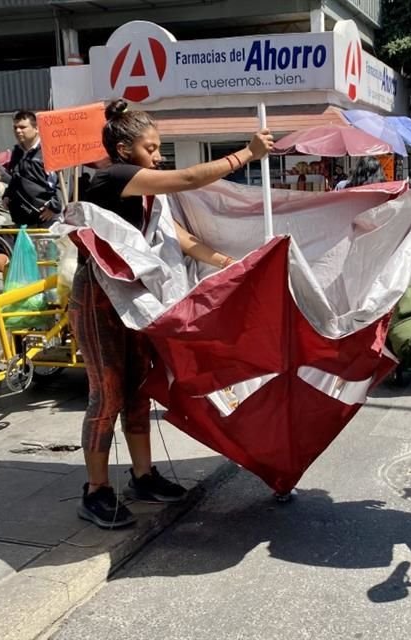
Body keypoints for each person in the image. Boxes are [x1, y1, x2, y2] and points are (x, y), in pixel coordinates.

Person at [70, 99, 274, 529]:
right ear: (125, 151)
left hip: (137, 301)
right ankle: (96, 491)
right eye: (152, 148)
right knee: (107, 394)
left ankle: (142, 478)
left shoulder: (145, 195)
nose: (159, 156)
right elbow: (185, 178)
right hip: (99, 299)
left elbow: (179, 239)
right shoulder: (113, 177)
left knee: (139, 389)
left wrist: (230, 264)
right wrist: (245, 155)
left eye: (159, 147)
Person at [6, 110, 62, 227]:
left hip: (45, 218)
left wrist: (54, 207)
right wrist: (7, 195)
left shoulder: (48, 151)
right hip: (21, 218)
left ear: (36, 128)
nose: (18, 131)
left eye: (22, 127)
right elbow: (15, 178)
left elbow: (62, 180)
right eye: (15, 127)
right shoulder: (16, 152)